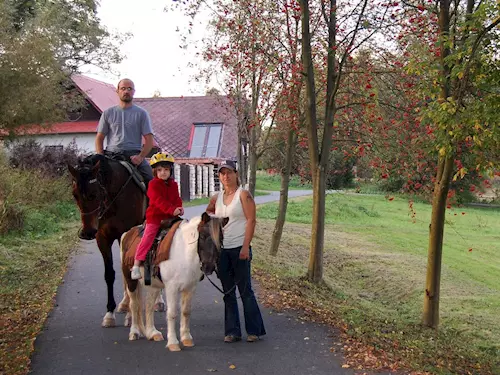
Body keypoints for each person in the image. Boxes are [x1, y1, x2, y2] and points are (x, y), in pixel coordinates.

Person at [205, 160, 266, 343]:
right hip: (222, 250)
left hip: (240, 248)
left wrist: (246, 246)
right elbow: (207, 216)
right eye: (222, 173)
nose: (226, 176)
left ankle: (254, 330)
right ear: (219, 176)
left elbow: (251, 221)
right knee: (228, 292)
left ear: (236, 174)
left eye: (229, 172)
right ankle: (232, 331)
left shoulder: (243, 195)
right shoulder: (217, 198)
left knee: (245, 290)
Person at [131, 152, 184, 280]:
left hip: (171, 218)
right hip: (156, 218)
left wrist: (179, 207)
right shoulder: (153, 185)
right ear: (155, 172)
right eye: (159, 170)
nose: (163, 173)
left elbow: (176, 198)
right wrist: (172, 210)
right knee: (148, 237)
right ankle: (136, 265)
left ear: (170, 171)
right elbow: (158, 201)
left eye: (166, 170)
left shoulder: (174, 184)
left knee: (185, 231)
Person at [95, 78, 154, 184]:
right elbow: (99, 138)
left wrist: (140, 157)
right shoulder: (107, 113)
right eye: (123, 88)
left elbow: (149, 140)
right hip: (111, 155)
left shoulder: (141, 113)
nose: (126, 91)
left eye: (129, 89)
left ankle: (151, 201)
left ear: (134, 92)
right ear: (117, 91)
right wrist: (100, 156)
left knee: (151, 179)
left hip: (133, 155)